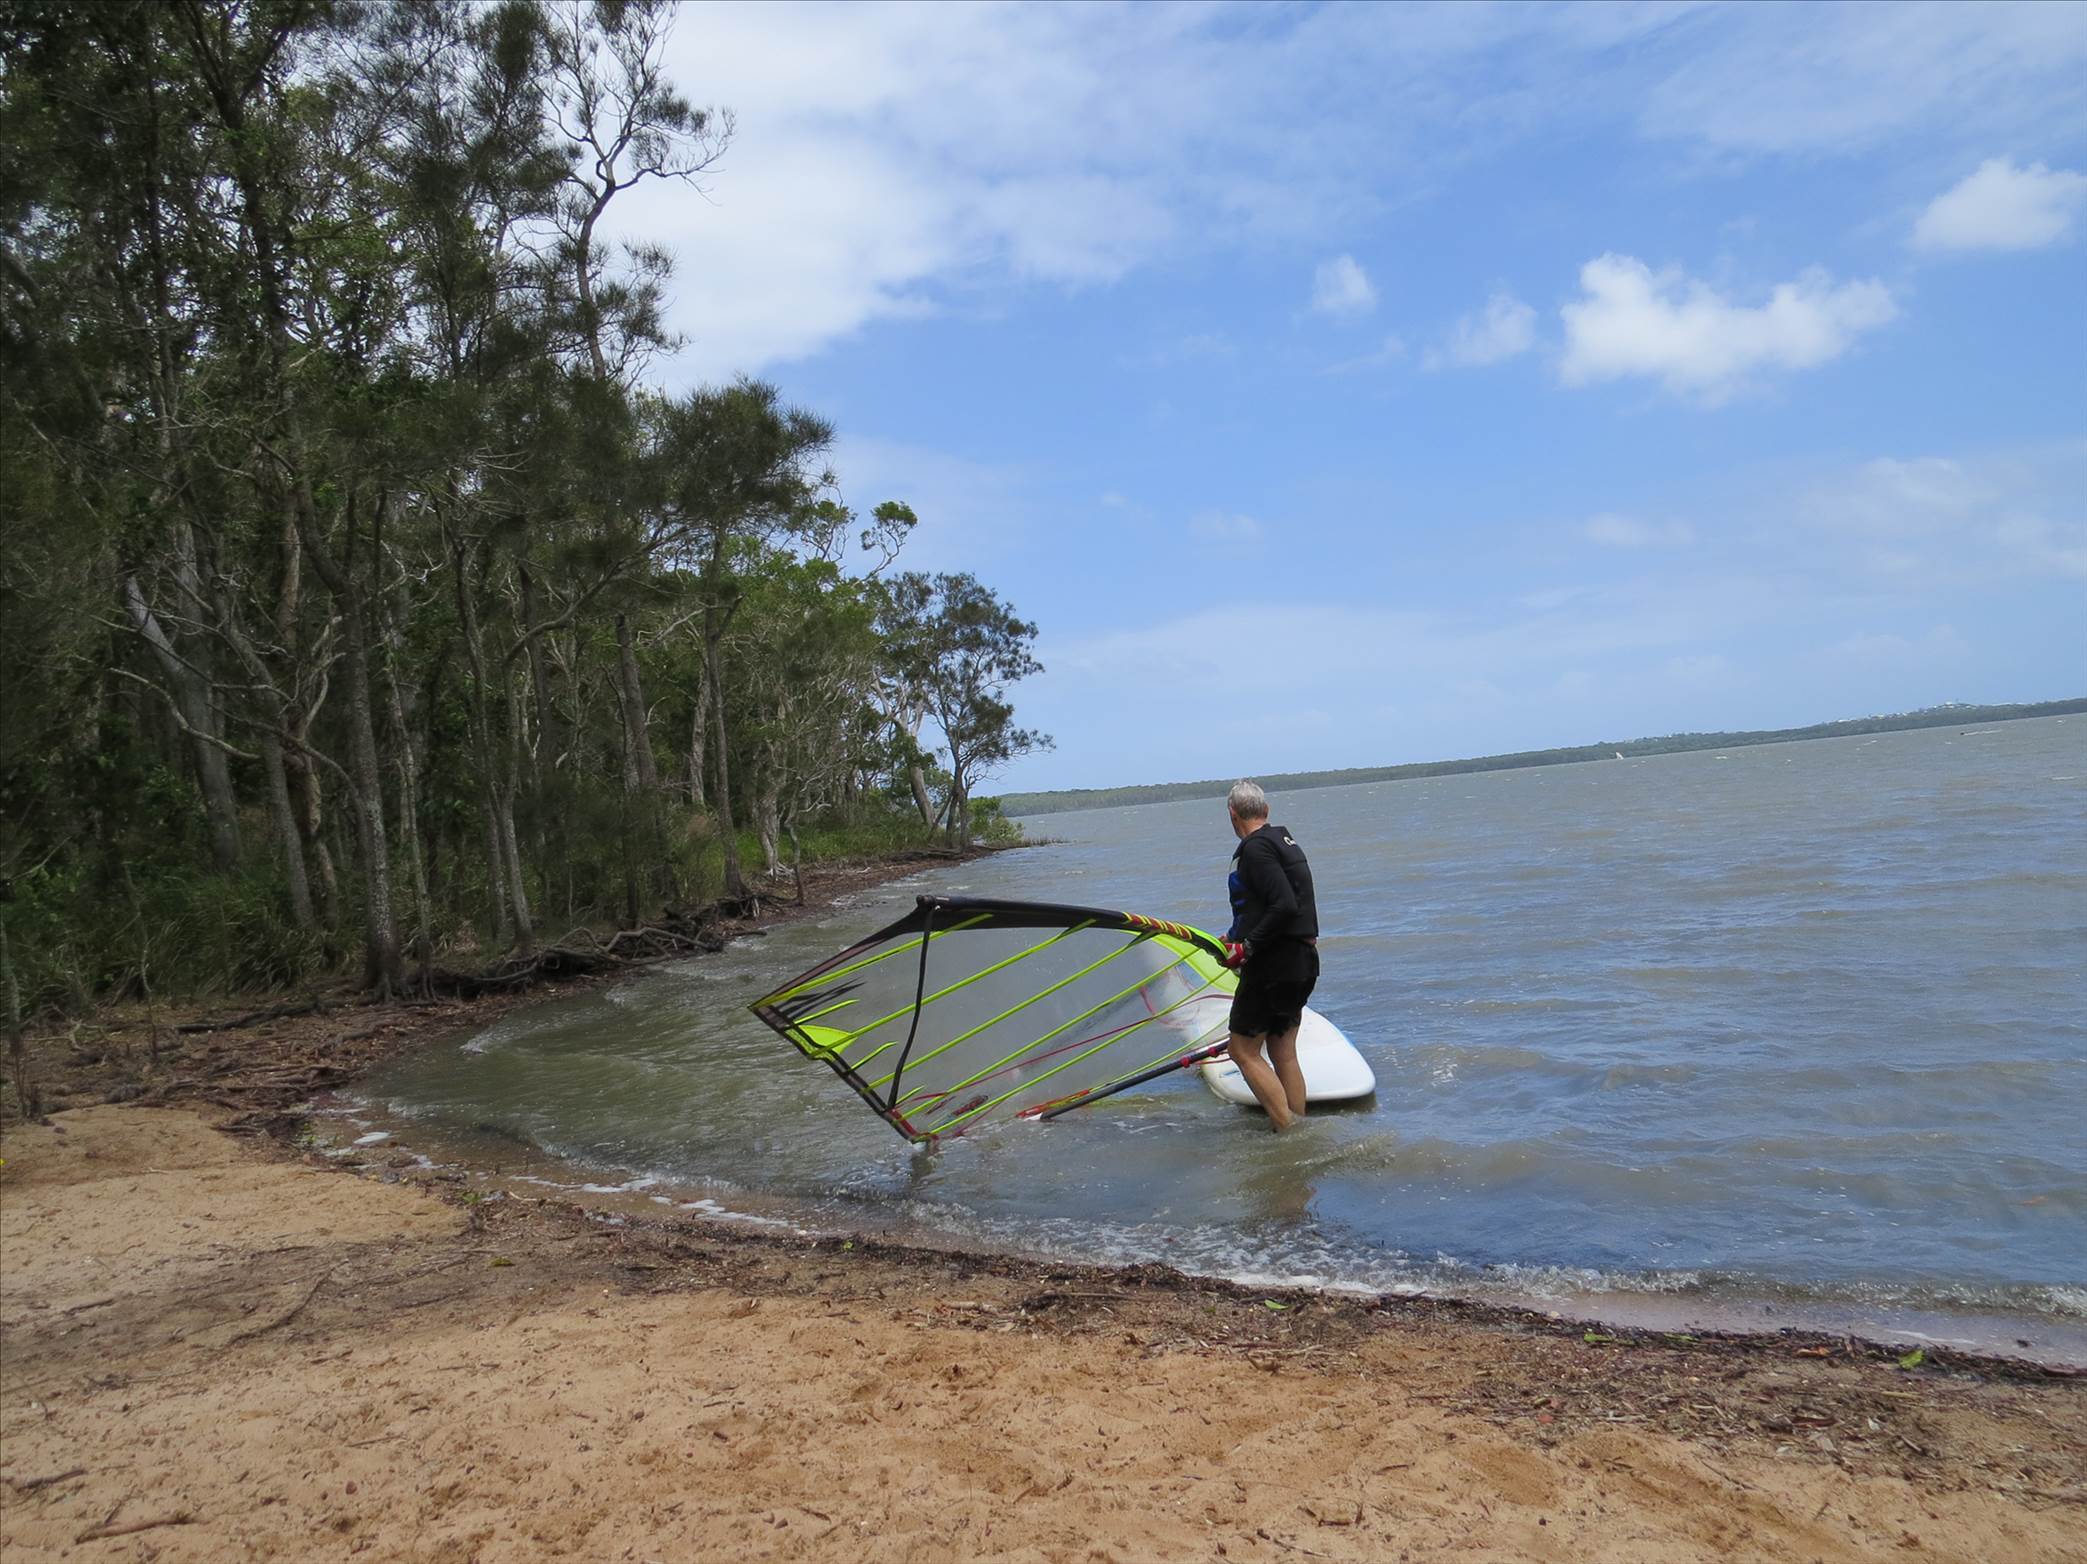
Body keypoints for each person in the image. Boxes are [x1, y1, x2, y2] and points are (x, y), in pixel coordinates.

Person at [1218, 780, 1319, 1131]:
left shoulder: (1256, 849)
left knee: (1242, 1051)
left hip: (1273, 965)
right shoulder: (1283, 843)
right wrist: (1235, 937)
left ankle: (1289, 1136)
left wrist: (1247, 947)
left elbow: (1284, 905)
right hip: (1302, 961)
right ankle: (1298, 1127)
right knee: (1282, 1051)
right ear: (1266, 810)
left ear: (1233, 814)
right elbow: (1272, 906)